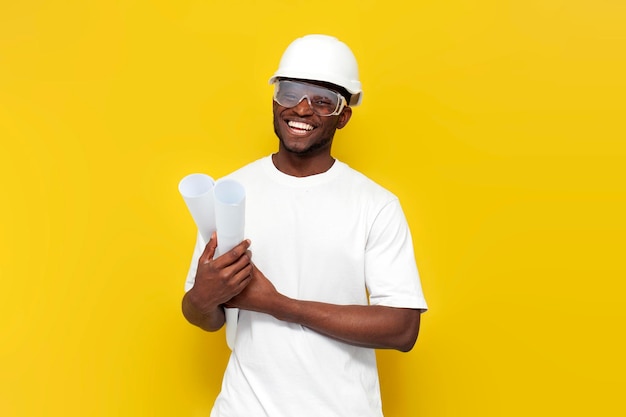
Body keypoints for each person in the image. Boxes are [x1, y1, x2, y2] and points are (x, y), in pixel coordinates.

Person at [181, 34, 428, 417]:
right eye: (290, 92)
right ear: (275, 100)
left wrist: (280, 305)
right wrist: (203, 296)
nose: (301, 108)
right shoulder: (231, 192)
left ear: (343, 116)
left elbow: (402, 329)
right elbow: (203, 316)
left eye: (322, 100)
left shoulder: (375, 205)